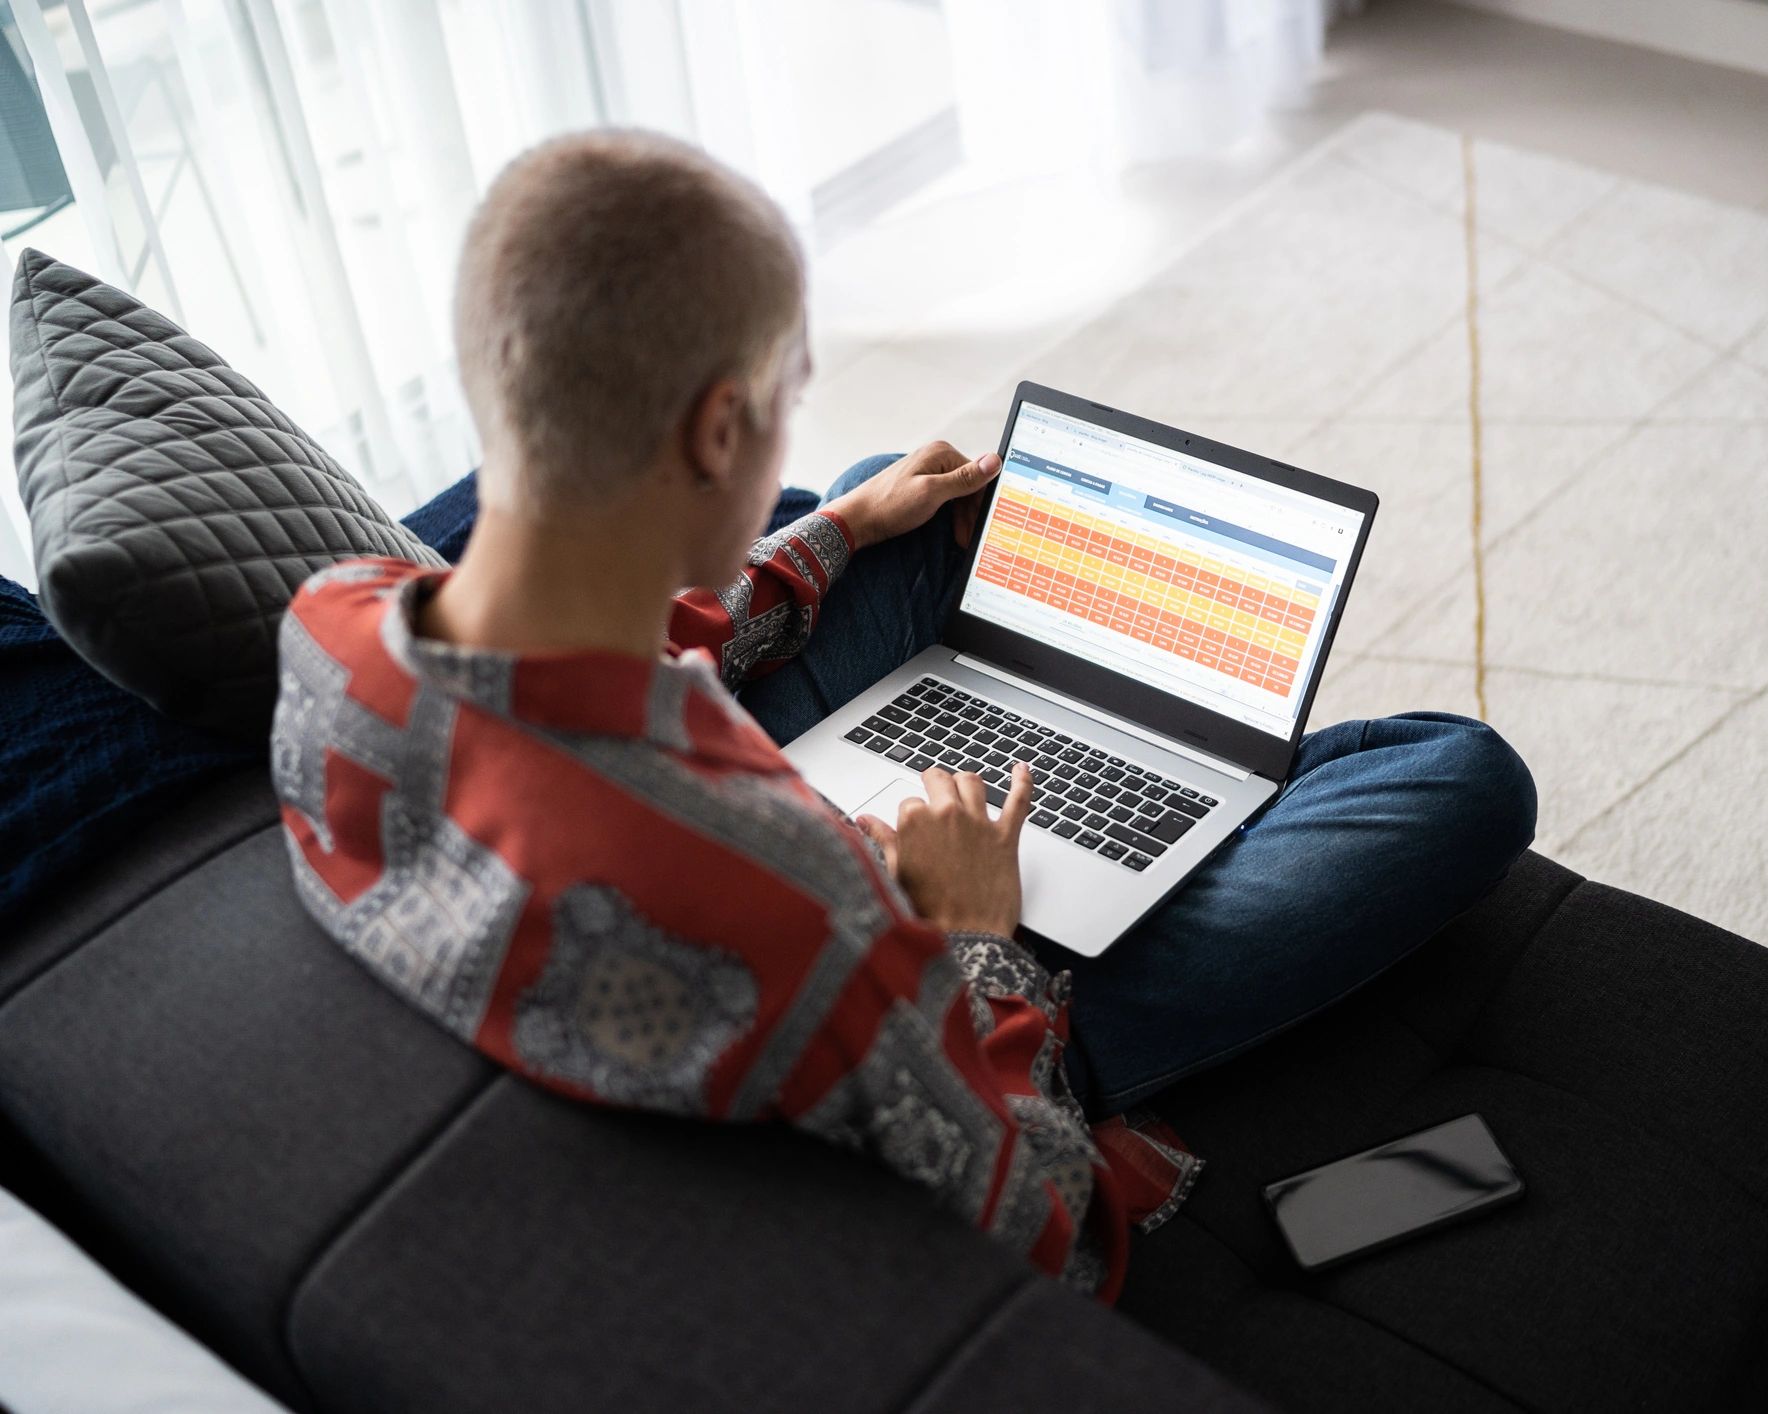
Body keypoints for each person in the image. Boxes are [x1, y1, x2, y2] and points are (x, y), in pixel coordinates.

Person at [270, 129, 1536, 1305]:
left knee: (887, 488)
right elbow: (1043, 1217)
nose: (780, 444)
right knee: (1459, 775)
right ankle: (1200, 816)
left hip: (655, 819)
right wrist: (980, 927)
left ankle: (1178, 777)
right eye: (779, 397)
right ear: (719, 428)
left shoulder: (334, 616)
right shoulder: (799, 897)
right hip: (890, 951)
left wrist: (831, 529)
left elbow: (627, 649)